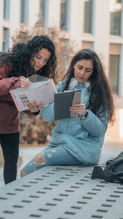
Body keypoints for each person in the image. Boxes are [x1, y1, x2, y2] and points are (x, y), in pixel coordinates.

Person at [0, 35, 57, 194]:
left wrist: (34, 109)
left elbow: (21, 101)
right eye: (38, 57)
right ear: (30, 52)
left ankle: (10, 198)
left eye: (45, 60)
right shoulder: (6, 62)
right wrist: (15, 81)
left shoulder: (33, 73)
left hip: (10, 120)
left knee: (11, 161)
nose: (40, 63)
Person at [21, 48, 114, 177]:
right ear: (73, 65)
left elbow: (100, 131)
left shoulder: (100, 95)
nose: (82, 73)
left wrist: (85, 115)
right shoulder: (62, 86)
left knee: (39, 158)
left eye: (88, 70)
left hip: (83, 149)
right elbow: (47, 117)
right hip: (60, 143)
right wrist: (57, 105)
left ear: (94, 72)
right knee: (24, 172)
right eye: (79, 67)